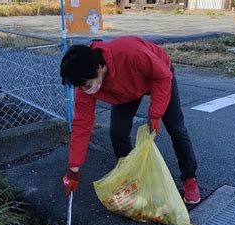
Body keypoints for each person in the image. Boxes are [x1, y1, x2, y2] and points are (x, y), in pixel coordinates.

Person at [60, 36, 201, 204]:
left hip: (159, 77)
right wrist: (73, 169)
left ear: (99, 68)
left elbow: (163, 77)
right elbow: (81, 126)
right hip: (127, 90)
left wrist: (155, 113)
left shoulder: (130, 53)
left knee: (176, 128)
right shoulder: (85, 86)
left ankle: (189, 178)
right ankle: (130, 177)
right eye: (81, 87)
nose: (85, 90)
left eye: (88, 85)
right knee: (117, 133)